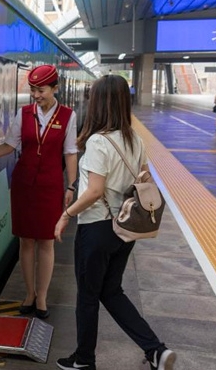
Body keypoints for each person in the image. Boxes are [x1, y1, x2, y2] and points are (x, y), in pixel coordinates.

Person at [53, 74, 176, 370]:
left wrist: (66, 215)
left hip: (97, 228)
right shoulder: (135, 140)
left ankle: (84, 360)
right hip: (125, 228)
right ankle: (156, 350)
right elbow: (144, 178)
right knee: (110, 291)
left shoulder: (98, 141)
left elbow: (94, 191)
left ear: (98, 103)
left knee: (87, 296)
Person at [0, 64, 78, 319]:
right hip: (23, 185)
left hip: (50, 186)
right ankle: (29, 294)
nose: (35, 95)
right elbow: (9, 146)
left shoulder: (68, 116)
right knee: (25, 241)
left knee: (46, 241)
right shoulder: (23, 114)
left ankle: (42, 296)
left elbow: (70, 153)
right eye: (33, 90)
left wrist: (71, 184)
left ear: (55, 88)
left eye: (41, 90)